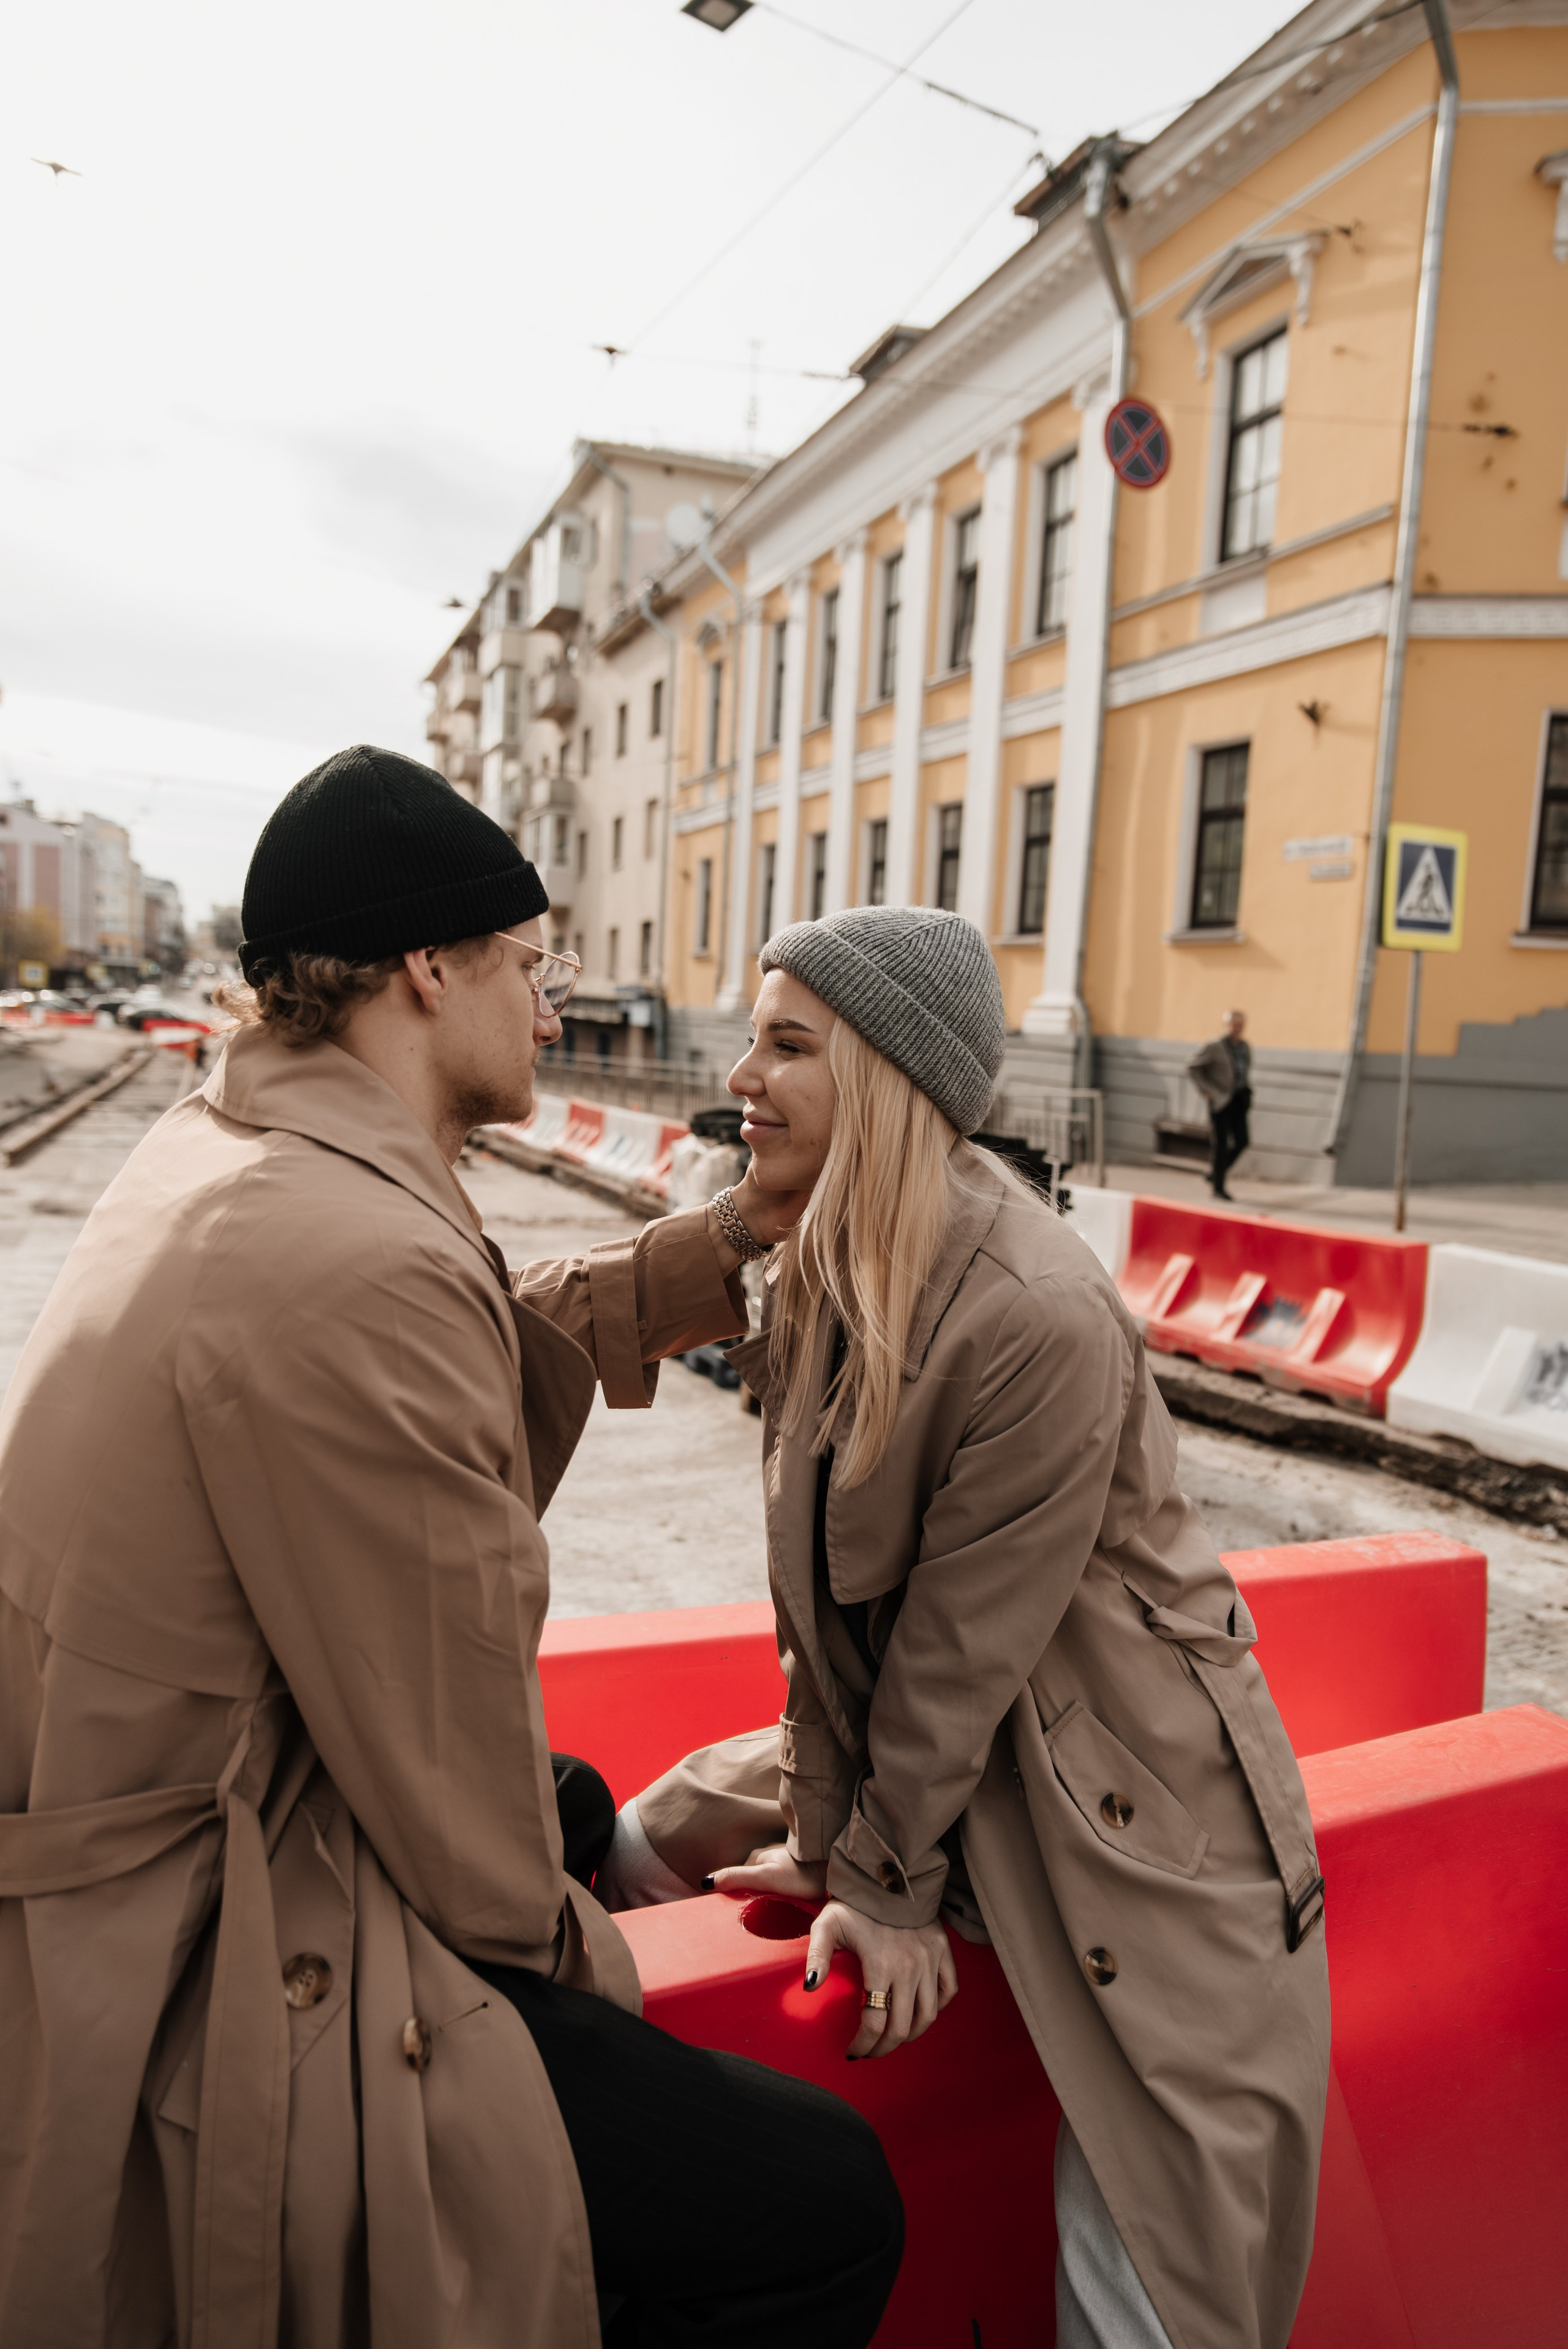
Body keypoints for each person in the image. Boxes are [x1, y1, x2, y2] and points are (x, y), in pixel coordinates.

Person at [0, 747, 903, 2348]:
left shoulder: (237, 1154)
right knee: (818, 2198)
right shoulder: (354, 1259)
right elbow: (467, 1828)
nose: (551, 1012)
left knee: (570, 1806)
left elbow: (480, 1341)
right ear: (431, 967)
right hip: (196, 1936)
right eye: (531, 967)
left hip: (133, 1823)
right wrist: (618, 1991)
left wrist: (732, 1243)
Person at [601, 908, 1330, 2349]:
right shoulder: (830, 1256)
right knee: (639, 1831)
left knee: (1146, 2263)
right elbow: (813, 1604)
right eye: (752, 1034)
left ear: (886, 1075)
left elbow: (960, 1645)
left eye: (788, 1043)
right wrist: (832, 1832)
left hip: (1134, 1806)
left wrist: (881, 1879)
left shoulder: (1033, 1308)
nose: (740, 1071)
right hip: (952, 1749)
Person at [1188, 1009, 1251, 1200]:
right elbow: (1192, 1066)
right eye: (1234, 1024)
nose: (1238, 1028)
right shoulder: (1215, 1046)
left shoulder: (1245, 1047)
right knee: (1221, 1145)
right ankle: (1218, 1188)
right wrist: (1208, 1092)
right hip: (1220, 1101)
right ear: (1226, 1025)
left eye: (1241, 1025)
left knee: (1243, 1141)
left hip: (1239, 1100)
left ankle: (1215, 1173)